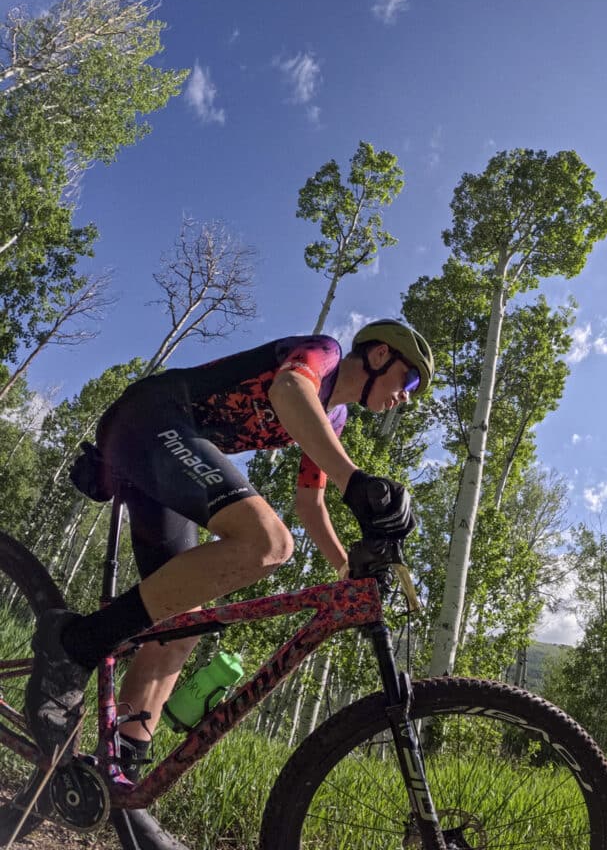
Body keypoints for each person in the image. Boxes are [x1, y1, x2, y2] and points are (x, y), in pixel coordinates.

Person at [25, 320, 433, 850]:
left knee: (181, 626)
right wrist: (355, 480)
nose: (407, 396)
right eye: (410, 379)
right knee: (269, 542)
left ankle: (122, 787)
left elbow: (311, 503)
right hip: (152, 420)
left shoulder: (332, 417)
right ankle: (75, 645)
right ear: (379, 355)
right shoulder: (323, 354)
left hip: (165, 453)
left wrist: (346, 570)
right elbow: (289, 388)